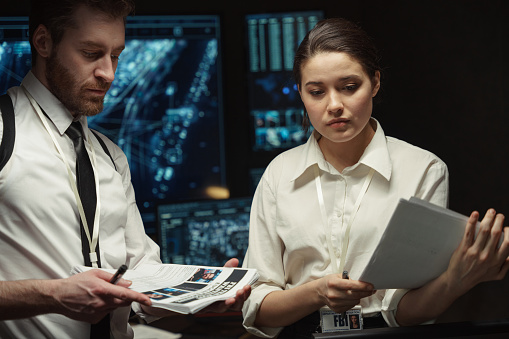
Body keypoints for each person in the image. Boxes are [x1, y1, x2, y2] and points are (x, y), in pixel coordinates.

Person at [241, 17, 509, 338]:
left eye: (349, 87)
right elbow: (257, 306)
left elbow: (406, 310)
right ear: (300, 94)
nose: (334, 105)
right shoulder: (279, 173)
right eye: (316, 92)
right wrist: (316, 292)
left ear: (376, 83)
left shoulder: (423, 168)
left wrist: (457, 279)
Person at [0, 0, 250, 338]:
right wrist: (54, 295)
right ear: (43, 42)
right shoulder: (3, 132)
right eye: (91, 53)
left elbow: (141, 279)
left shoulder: (110, 156)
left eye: (115, 55)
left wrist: (199, 298)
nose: (109, 74)